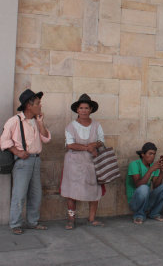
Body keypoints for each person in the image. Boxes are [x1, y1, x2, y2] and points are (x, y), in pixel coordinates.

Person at [0, 89, 51, 235]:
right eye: (38, 104)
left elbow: (46, 138)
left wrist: (40, 122)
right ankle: (15, 223)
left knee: (36, 194)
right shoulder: (14, 121)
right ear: (29, 106)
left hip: (36, 160)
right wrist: (17, 152)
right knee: (19, 193)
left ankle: (32, 222)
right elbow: (4, 140)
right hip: (23, 162)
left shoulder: (36, 121)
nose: (40, 106)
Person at [60, 94, 105, 230]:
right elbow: (69, 145)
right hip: (74, 163)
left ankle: (92, 218)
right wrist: (88, 147)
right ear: (77, 110)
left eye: (86, 108)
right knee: (72, 191)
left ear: (91, 109)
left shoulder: (97, 125)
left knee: (94, 190)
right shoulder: (70, 127)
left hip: (92, 162)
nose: (84, 110)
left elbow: (101, 141)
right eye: (81, 108)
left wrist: (95, 145)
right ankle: (71, 219)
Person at [126, 142, 163, 224]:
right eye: (150, 154)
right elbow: (138, 185)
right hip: (135, 202)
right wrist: (151, 170)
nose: (152, 156)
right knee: (144, 188)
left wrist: (162, 172)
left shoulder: (154, 166)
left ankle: (154, 213)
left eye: (154, 154)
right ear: (143, 154)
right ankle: (139, 215)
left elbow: (156, 186)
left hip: (147, 200)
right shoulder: (134, 164)